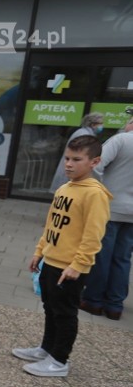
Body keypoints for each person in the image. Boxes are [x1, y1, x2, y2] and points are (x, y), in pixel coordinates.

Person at [12, 135, 111, 377]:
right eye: (67, 158)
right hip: (51, 261)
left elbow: (93, 235)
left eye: (77, 159)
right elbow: (51, 225)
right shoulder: (65, 188)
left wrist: (78, 264)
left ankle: (59, 361)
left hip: (70, 267)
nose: (68, 164)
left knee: (65, 312)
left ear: (94, 162)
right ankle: (47, 348)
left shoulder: (94, 194)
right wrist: (39, 252)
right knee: (50, 307)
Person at [80, 116, 133, 320]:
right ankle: (114, 305)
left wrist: (98, 192)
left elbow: (95, 165)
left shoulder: (121, 140)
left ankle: (93, 300)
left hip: (110, 208)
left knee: (102, 254)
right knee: (122, 258)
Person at [50, 112, 104, 192]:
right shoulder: (85, 135)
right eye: (100, 123)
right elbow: (79, 156)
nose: (102, 126)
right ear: (93, 124)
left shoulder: (83, 132)